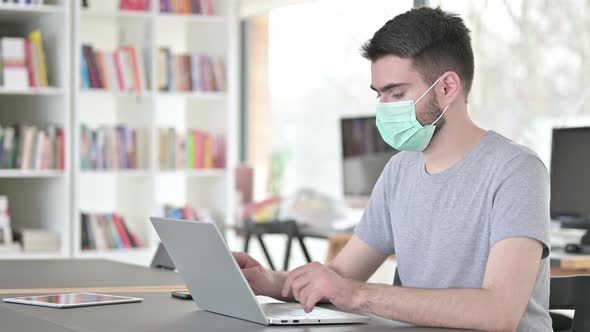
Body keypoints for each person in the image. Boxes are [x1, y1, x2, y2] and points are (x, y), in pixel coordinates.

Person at [233, 6, 551, 332]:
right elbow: (341, 277)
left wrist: (356, 295)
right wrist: (271, 281)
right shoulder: (400, 170)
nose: (384, 108)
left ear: (447, 88)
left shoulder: (516, 170)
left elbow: (498, 313)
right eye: (380, 95)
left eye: (396, 93)